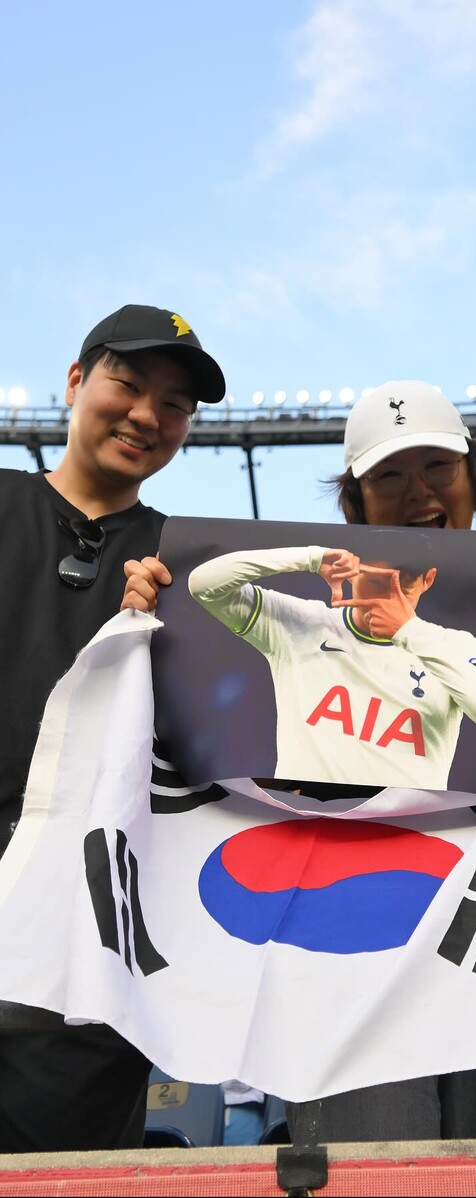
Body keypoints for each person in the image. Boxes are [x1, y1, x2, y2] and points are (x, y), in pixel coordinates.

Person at [124, 376, 476, 1141]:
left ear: (472, 480)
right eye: (388, 477)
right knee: (368, 1163)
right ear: (357, 506)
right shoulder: (302, 623)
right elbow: (212, 582)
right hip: (341, 921)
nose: (417, 493)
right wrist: (309, 554)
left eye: (437, 470)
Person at [0, 304, 225, 1152]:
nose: (146, 416)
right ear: (74, 381)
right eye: (128, 385)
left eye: (174, 405)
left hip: (88, 935)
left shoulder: (191, 568)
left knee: (66, 1170)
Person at [187, 543, 476, 787]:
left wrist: (408, 632)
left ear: (428, 579)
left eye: (404, 585)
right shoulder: (302, 624)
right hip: (301, 828)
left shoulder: (455, 646)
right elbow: (203, 584)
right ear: (355, 571)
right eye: (376, 581)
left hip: (402, 841)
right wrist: (310, 558)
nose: (388, 599)